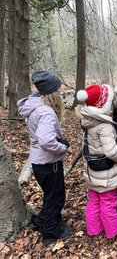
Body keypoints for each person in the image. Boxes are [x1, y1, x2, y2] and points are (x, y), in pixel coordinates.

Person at [17, 70, 72, 246]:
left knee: (50, 195)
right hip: (49, 163)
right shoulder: (46, 112)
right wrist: (61, 147)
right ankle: (51, 232)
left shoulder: (34, 106)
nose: (60, 93)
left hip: (40, 161)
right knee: (55, 198)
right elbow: (45, 139)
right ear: (51, 92)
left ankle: (42, 220)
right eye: (58, 90)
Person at [76, 84, 117, 240]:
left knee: (94, 201)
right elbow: (111, 151)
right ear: (104, 104)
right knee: (108, 203)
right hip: (106, 174)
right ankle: (112, 232)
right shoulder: (104, 125)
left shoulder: (88, 120)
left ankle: (94, 230)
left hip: (93, 172)